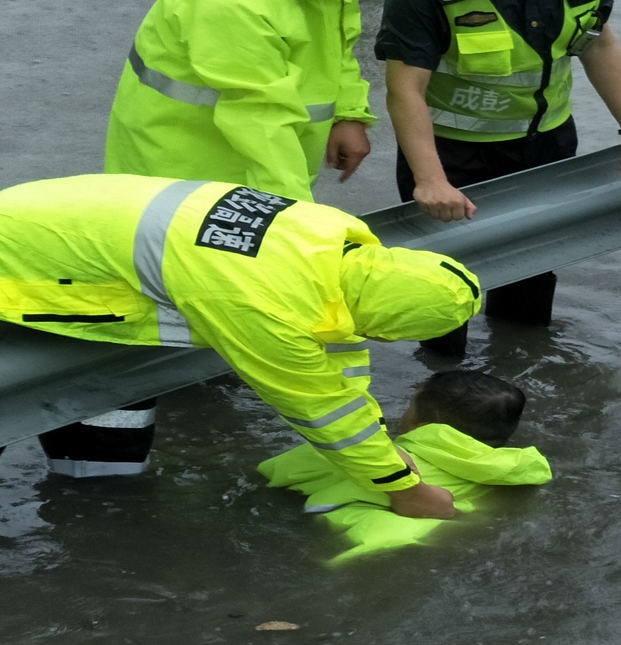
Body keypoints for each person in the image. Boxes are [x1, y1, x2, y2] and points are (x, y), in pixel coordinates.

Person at [0, 174, 482, 519]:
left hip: (61, 233)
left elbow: (334, 354)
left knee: (106, 460)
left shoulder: (331, 242)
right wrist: (403, 490)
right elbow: (318, 406)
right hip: (23, 267)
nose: (377, 340)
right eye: (388, 332)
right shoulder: (265, 303)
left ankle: (87, 501)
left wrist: (382, 445)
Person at [374, 0, 621, 343]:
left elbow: (597, 43)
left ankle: (519, 364)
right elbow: (405, 88)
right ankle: (442, 381)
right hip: (451, 154)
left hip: (547, 146)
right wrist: (430, 179)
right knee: (440, 284)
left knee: (532, 273)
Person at [105, 0, 377, 201]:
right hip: (185, 179)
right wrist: (293, 219)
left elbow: (335, 45)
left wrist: (348, 112)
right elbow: (260, 122)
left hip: (253, 168)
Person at [259, 370, 552, 563]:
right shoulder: (509, 467)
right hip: (436, 527)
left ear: (422, 425)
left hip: (372, 525)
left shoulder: (391, 454)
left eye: (409, 406)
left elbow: (290, 468)